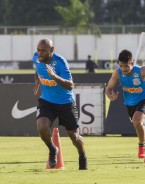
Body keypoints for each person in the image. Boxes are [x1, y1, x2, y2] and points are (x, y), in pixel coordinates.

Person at [32, 38, 88, 170]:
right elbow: (38, 69)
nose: (40, 53)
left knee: (74, 137)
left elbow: (70, 85)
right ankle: (53, 149)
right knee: (41, 127)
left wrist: (54, 76)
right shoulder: (36, 57)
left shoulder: (61, 62)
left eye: (43, 51)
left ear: (51, 50)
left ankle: (82, 154)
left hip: (65, 103)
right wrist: (37, 80)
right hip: (47, 101)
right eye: (38, 50)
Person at [105, 49, 145, 158]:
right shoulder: (117, 72)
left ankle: (141, 146)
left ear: (132, 63)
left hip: (144, 98)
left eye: (126, 66)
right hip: (130, 103)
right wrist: (110, 95)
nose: (123, 69)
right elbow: (108, 88)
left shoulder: (142, 70)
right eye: (121, 66)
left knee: (137, 121)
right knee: (138, 124)